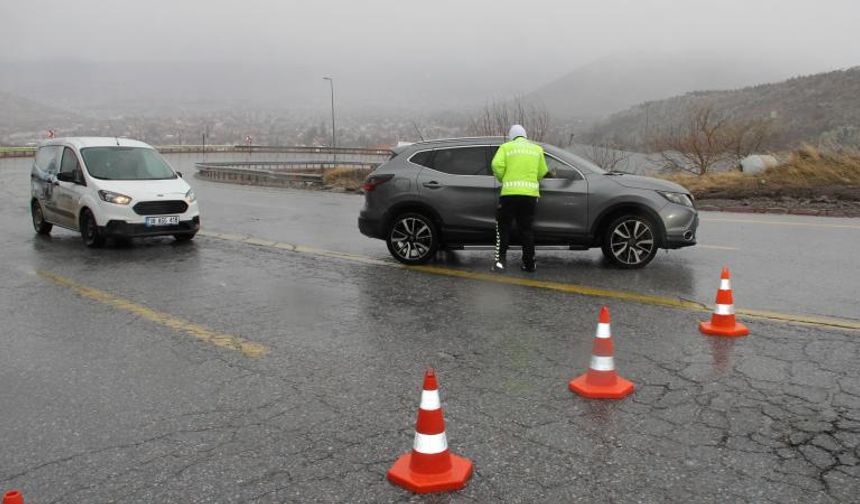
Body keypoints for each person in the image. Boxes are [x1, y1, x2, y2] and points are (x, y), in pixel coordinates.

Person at [491, 124, 548, 273]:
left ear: (511, 135)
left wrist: (503, 178)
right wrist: (531, 180)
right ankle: (529, 264)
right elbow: (543, 171)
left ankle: (500, 265)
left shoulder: (506, 147)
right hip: (529, 196)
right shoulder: (536, 149)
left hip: (509, 194)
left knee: (503, 229)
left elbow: (496, 165)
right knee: (526, 230)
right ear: (524, 135)